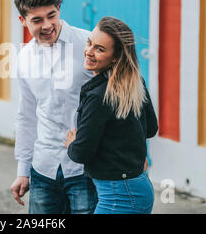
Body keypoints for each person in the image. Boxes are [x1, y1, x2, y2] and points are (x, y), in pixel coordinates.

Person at [10, 0, 97, 213]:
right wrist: (23, 171)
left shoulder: (89, 45)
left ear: (58, 9)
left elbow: (118, 101)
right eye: (37, 20)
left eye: (52, 15)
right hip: (43, 170)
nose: (47, 25)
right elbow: (27, 116)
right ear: (23, 20)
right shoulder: (24, 58)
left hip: (85, 170)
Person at [64, 16, 158, 214]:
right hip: (137, 187)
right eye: (89, 43)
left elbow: (81, 153)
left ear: (116, 57)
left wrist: (72, 144)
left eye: (100, 49)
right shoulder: (134, 82)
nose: (89, 52)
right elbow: (150, 128)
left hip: (119, 197)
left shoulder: (99, 96)